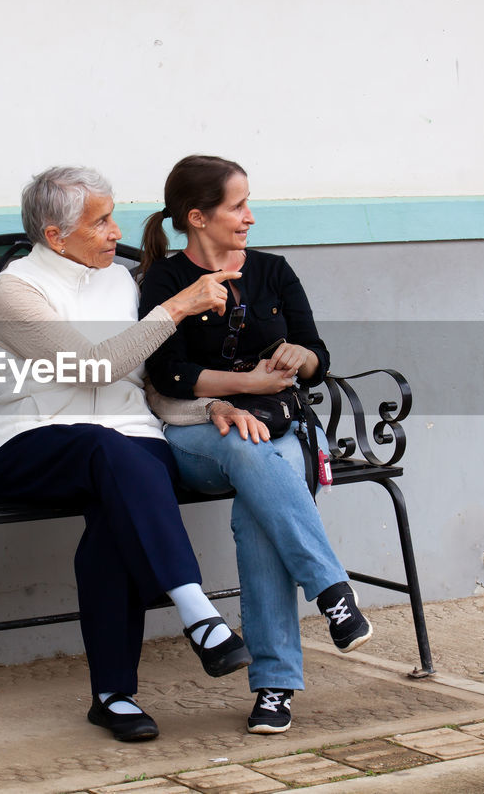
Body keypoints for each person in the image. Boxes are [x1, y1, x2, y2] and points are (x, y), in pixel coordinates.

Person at [0, 165, 253, 742]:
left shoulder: (123, 283)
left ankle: (113, 696)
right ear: (55, 236)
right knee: (110, 449)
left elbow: (148, 381)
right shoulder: (14, 291)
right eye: (100, 221)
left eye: (112, 217)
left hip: (127, 448)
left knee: (118, 492)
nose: (113, 230)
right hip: (32, 444)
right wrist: (174, 308)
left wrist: (207, 410)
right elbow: (92, 366)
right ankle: (197, 610)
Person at [137, 154, 373, 736]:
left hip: (281, 427)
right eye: (237, 206)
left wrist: (302, 357)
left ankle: (273, 689)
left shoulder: (273, 271)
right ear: (198, 217)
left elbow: (316, 356)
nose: (249, 217)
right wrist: (244, 387)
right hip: (199, 435)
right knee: (246, 452)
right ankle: (330, 591)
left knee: (259, 508)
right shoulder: (166, 283)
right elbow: (168, 374)